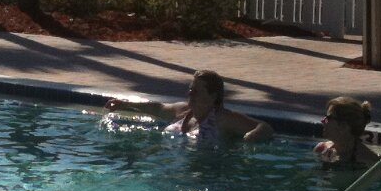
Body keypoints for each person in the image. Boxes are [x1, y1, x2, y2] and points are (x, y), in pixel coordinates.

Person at [106, 69, 272, 143]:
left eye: (196, 91)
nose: (190, 94)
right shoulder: (183, 110)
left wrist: (251, 136)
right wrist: (124, 104)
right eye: (190, 89)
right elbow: (157, 108)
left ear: (213, 96)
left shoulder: (223, 119)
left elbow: (265, 127)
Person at [314, 96, 379, 167]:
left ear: (344, 126)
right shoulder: (321, 148)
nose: (323, 121)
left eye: (328, 118)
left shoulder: (368, 159)